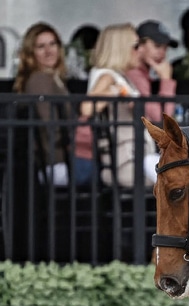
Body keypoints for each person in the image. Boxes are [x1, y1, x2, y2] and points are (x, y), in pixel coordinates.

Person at [71, 23, 158, 189]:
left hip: (135, 157)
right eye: (135, 46)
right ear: (121, 48)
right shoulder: (107, 76)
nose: (140, 51)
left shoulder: (121, 76)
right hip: (126, 162)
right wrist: (115, 93)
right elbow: (87, 108)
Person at [13, 22, 96, 187]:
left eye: (53, 44)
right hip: (60, 163)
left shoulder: (53, 78)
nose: (49, 51)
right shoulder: (40, 79)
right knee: (112, 171)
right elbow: (50, 124)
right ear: (31, 53)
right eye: (41, 47)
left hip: (65, 160)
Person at [129, 20, 179, 124]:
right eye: (157, 46)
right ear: (139, 46)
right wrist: (166, 80)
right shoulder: (134, 75)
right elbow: (164, 122)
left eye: (165, 48)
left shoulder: (142, 75)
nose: (162, 52)